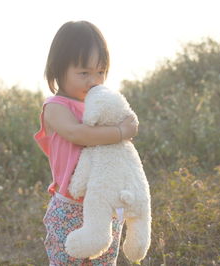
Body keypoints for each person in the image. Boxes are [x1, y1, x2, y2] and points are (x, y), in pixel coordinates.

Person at [34, 21, 139, 265]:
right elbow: (78, 134)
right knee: (67, 260)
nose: (93, 80)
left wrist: (126, 126)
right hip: (69, 207)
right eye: (84, 73)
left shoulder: (102, 106)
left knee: (104, 260)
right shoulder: (55, 107)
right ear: (58, 70)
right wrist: (120, 131)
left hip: (105, 203)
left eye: (100, 72)